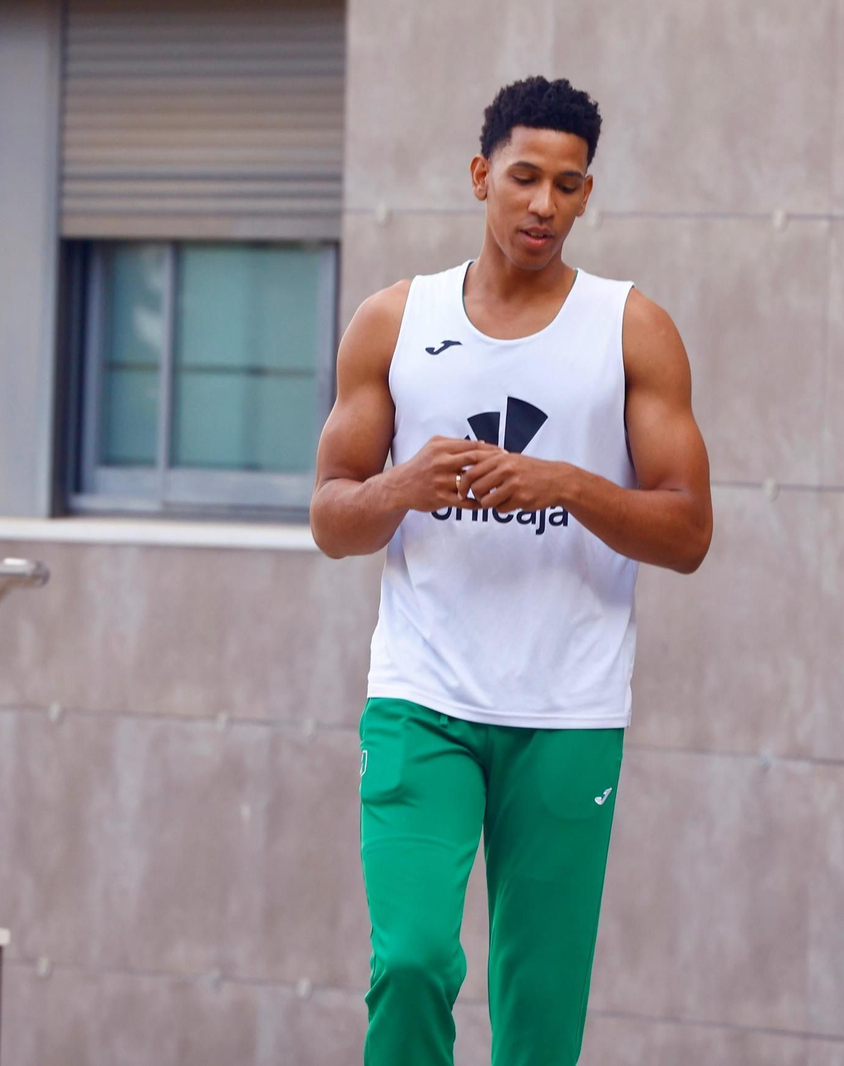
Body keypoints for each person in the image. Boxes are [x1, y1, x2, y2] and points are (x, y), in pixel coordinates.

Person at [310, 76, 713, 1065]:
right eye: (525, 178)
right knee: (410, 961)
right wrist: (402, 487)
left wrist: (565, 483)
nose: (543, 205)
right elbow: (330, 515)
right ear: (481, 174)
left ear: (585, 196)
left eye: (568, 186)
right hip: (422, 698)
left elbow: (688, 531)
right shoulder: (394, 320)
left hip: (568, 710)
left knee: (538, 1013)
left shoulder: (631, 327)